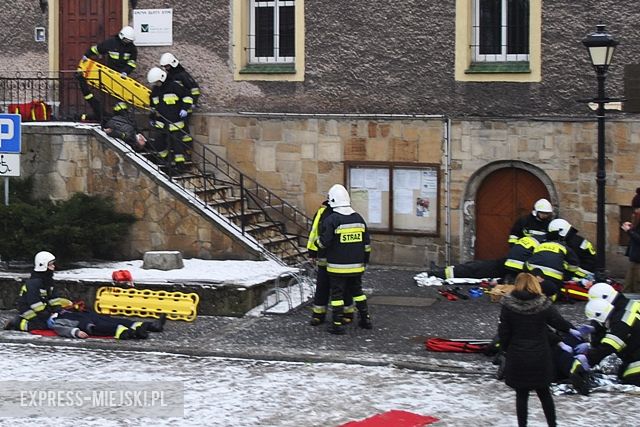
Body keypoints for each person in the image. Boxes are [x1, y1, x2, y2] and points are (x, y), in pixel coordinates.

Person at [498, 272, 575, 427]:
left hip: (518, 355)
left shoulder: (508, 305)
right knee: (545, 394)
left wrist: (505, 349)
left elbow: (504, 332)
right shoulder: (543, 304)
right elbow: (558, 322)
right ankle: (552, 424)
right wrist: (573, 330)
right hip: (540, 355)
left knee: (521, 395)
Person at [317, 184, 372, 335]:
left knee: (337, 296)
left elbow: (324, 242)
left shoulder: (332, 219)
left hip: (337, 267)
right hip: (357, 267)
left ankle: (337, 324)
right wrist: (365, 261)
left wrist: (317, 244)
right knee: (358, 292)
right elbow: (367, 245)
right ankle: (365, 319)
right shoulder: (358, 218)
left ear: (333, 200)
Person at [570, 282, 640, 392]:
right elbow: (607, 325)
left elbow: (609, 345)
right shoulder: (625, 305)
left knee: (631, 379)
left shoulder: (622, 319)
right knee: (624, 373)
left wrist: (588, 359)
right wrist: (595, 332)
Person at [306, 195, 354, 326]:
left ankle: (347, 313)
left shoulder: (347, 212)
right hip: (325, 257)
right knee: (322, 287)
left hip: (340, 258)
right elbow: (315, 232)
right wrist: (312, 252)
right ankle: (319, 314)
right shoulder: (322, 212)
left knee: (344, 287)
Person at [77, 25, 138, 122]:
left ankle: (121, 115)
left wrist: (126, 72)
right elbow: (97, 49)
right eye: (127, 40)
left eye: (130, 41)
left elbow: (132, 63)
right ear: (122, 36)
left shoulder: (132, 49)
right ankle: (112, 115)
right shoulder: (111, 43)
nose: (128, 42)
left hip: (122, 77)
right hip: (109, 75)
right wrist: (87, 55)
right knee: (107, 95)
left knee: (120, 97)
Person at [3, 251, 73, 331]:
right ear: (43, 265)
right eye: (50, 264)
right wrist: (45, 314)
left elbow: (53, 298)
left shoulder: (48, 281)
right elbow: (34, 302)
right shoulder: (34, 282)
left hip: (41, 309)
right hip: (27, 309)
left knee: (54, 320)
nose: (53, 267)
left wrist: (57, 310)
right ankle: (16, 323)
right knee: (42, 325)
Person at [147, 66, 194, 173]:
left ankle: (180, 166)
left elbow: (187, 96)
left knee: (177, 146)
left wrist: (185, 109)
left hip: (176, 123)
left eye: (157, 82)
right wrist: (152, 117)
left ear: (162, 78)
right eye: (155, 82)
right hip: (161, 124)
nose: (156, 84)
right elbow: (153, 107)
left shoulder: (174, 86)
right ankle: (162, 162)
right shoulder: (155, 91)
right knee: (159, 144)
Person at [525, 221, 579, 299]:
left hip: (534, 273)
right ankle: (552, 297)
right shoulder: (564, 247)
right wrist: (567, 276)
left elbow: (532, 258)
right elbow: (574, 263)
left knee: (534, 285)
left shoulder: (541, 245)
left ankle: (532, 291)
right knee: (555, 288)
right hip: (553, 277)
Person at [48, 309, 166, 340]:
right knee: (113, 327)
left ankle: (151, 326)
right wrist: (76, 332)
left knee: (121, 321)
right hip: (89, 326)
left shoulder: (66, 311)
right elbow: (60, 329)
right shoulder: (57, 320)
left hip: (94, 318)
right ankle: (135, 333)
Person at [621, 188, 640, 293]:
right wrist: (631, 228)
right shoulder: (637, 218)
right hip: (635, 259)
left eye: (637, 209)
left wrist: (630, 231)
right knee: (627, 287)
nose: (635, 211)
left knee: (637, 287)